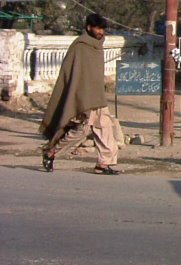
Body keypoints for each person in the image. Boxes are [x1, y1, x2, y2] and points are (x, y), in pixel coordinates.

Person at [39, 13, 121, 174]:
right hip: (83, 96)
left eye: (102, 29)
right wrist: (78, 96)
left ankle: (103, 164)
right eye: (98, 28)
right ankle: (51, 152)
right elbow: (73, 74)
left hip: (97, 95)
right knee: (80, 131)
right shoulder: (80, 45)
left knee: (105, 127)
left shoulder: (97, 46)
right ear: (89, 27)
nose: (100, 32)